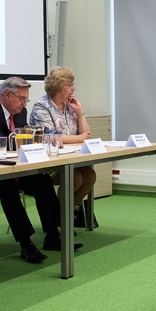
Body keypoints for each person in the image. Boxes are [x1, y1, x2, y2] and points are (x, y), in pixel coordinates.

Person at [0, 77, 73, 261]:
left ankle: (52, 235)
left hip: (15, 167)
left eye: (26, 99)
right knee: (7, 187)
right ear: (7, 95)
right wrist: (27, 141)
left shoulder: (20, 112)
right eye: (21, 98)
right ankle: (26, 243)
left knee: (43, 180)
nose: (24, 103)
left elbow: (23, 141)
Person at [29, 66, 98, 228]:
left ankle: (63, 214)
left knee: (90, 176)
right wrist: (79, 137)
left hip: (70, 158)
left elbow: (87, 135)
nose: (74, 88)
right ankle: (62, 219)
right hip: (48, 163)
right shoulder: (41, 107)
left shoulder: (70, 105)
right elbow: (52, 138)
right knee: (75, 178)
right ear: (59, 87)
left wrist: (79, 112)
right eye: (70, 84)